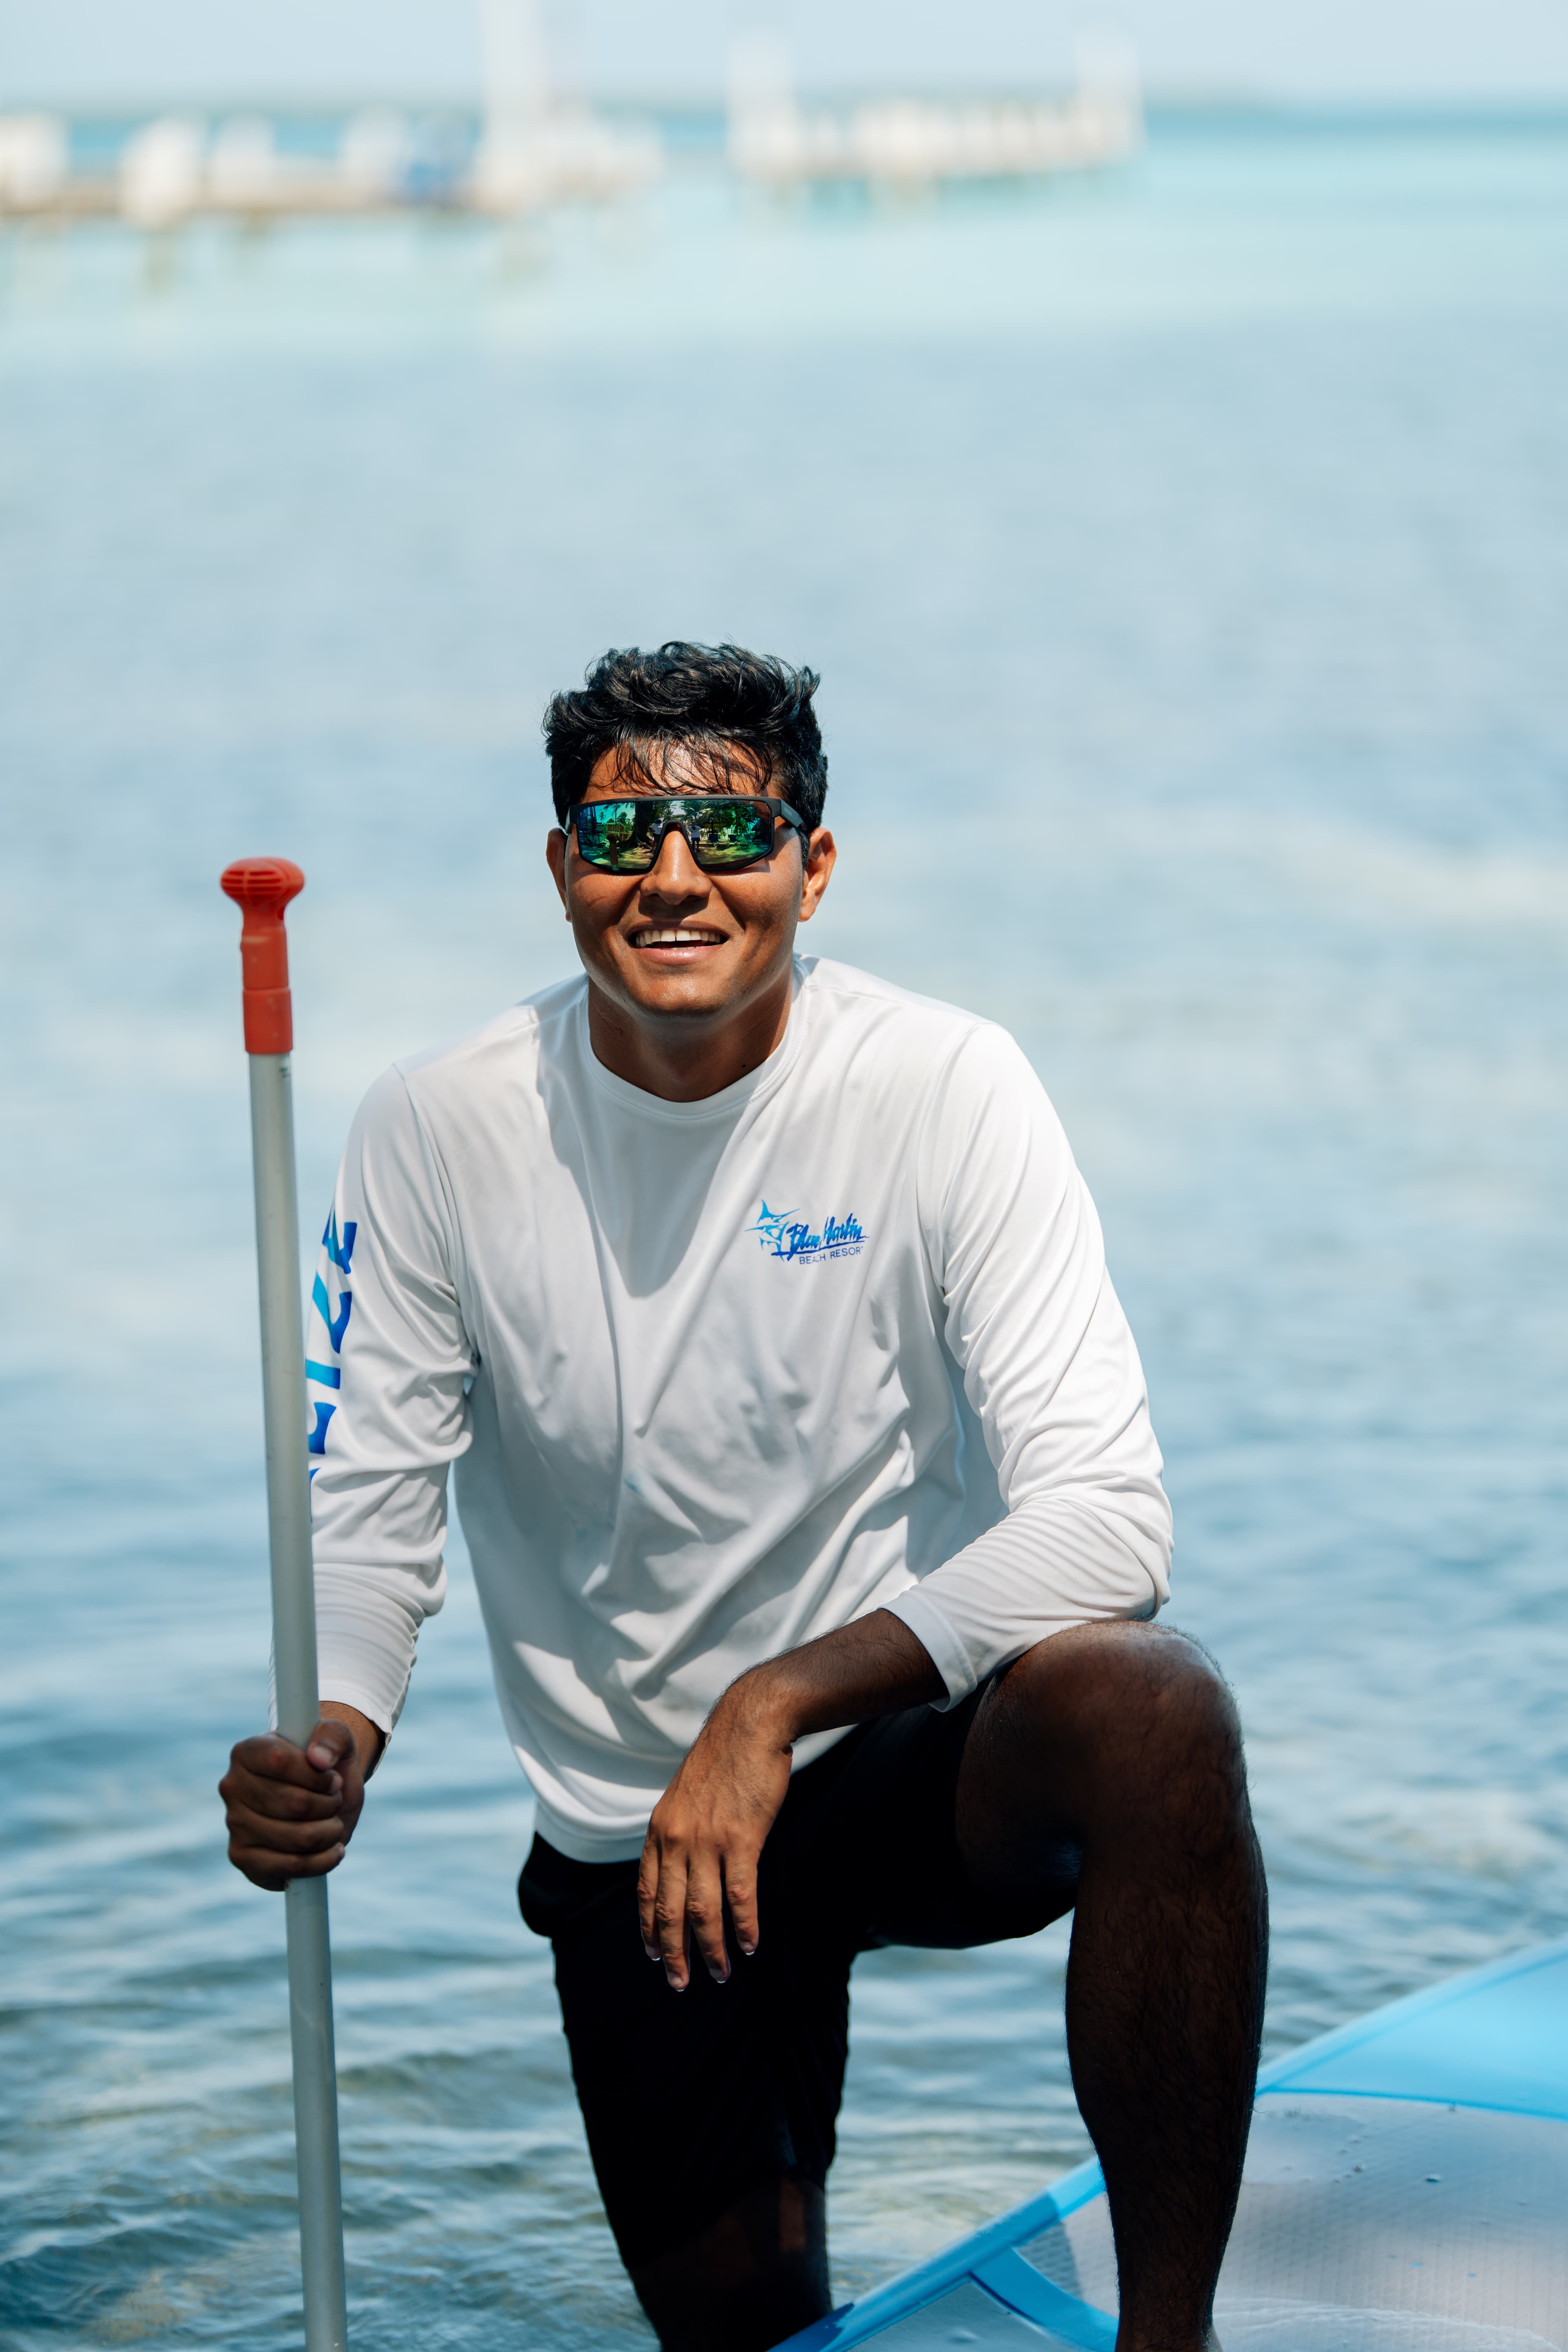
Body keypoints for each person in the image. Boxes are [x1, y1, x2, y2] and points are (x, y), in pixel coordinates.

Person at [220, 642, 1267, 2352]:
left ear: (814, 863)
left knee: (1154, 1709)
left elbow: (1109, 1521)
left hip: (900, 1758)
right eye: (625, 834)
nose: (678, 877)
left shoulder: (947, 1084)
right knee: (754, 2338)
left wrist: (776, 1704)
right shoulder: (434, 1127)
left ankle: (1171, 2345)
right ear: (564, 866)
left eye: (734, 831)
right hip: (644, 1846)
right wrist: (333, 1737)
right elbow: (373, 1508)